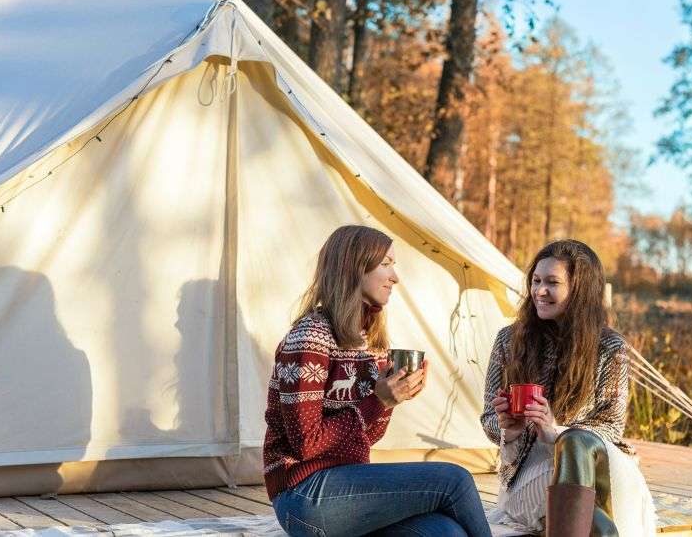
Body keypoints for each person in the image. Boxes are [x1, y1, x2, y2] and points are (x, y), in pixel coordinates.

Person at [265, 225, 493, 537]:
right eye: (385, 264)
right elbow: (306, 444)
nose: (395, 277)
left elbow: (365, 438)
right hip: (302, 495)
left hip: (348, 486)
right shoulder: (310, 337)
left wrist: (390, 401)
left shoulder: (366, 340)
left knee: (445, 532)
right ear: (354, 268)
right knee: (455, 480)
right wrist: (378, 402)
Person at [480, 240, 656, 536]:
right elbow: (487, 419)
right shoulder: (509, 340)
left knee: (577, 445)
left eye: (552, 282)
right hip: (529, 476)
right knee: (598, 518)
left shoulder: (609, 347)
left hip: (596, 468)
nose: (539, 291)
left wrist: (556, 432)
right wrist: (509, 429)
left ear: (580, 290)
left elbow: (611, 426)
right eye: (536, 281)